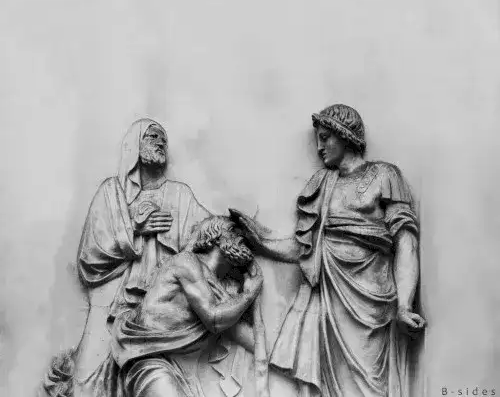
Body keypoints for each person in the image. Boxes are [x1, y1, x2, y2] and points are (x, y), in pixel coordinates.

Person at [230, 103, 426, 397]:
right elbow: (304, 248)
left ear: (345, 136)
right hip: (329, 303)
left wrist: (404, 306)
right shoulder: (323, 184)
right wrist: (260, 240)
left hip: (372, 303)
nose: (319, 148)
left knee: (372, 387)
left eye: (325, 138)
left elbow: (406, 239)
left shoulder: (385, 175)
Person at [43, 119, 211, 396]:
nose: (161, 142)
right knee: (87, 380)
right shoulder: (112, 194)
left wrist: (241, 235)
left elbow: (208, 233)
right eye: (152, 136)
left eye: (164, 139)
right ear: (134, 146)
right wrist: (134, 229)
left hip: (157, 312)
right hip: (112, 305)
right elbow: (90, 256)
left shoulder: (179, 195)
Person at [109, 215, 263, 397]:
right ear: (215, 236)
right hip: (150, 359)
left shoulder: (221, 291)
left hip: (183, 369)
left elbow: (247, 338)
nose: (241, 238)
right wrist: (249, 294)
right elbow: (215, 319)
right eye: (233, 231)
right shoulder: (186, 262)